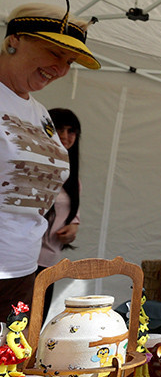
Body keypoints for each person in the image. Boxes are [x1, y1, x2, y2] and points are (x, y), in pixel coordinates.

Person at [0, 0, 100, 315]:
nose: (60, 68)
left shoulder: (40, 112)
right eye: (54, 53)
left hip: (24, 267)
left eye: (68, 62)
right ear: (14, 39)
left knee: (12, 359)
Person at [36, 108, 82, 322]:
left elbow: (73, 217)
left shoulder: (72, 178)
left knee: (35, 325)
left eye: (71, 131)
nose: (64, 136)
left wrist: (73, 228)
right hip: (19, 261)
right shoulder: (30, 168)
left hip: (49, 263)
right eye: (58, 129)